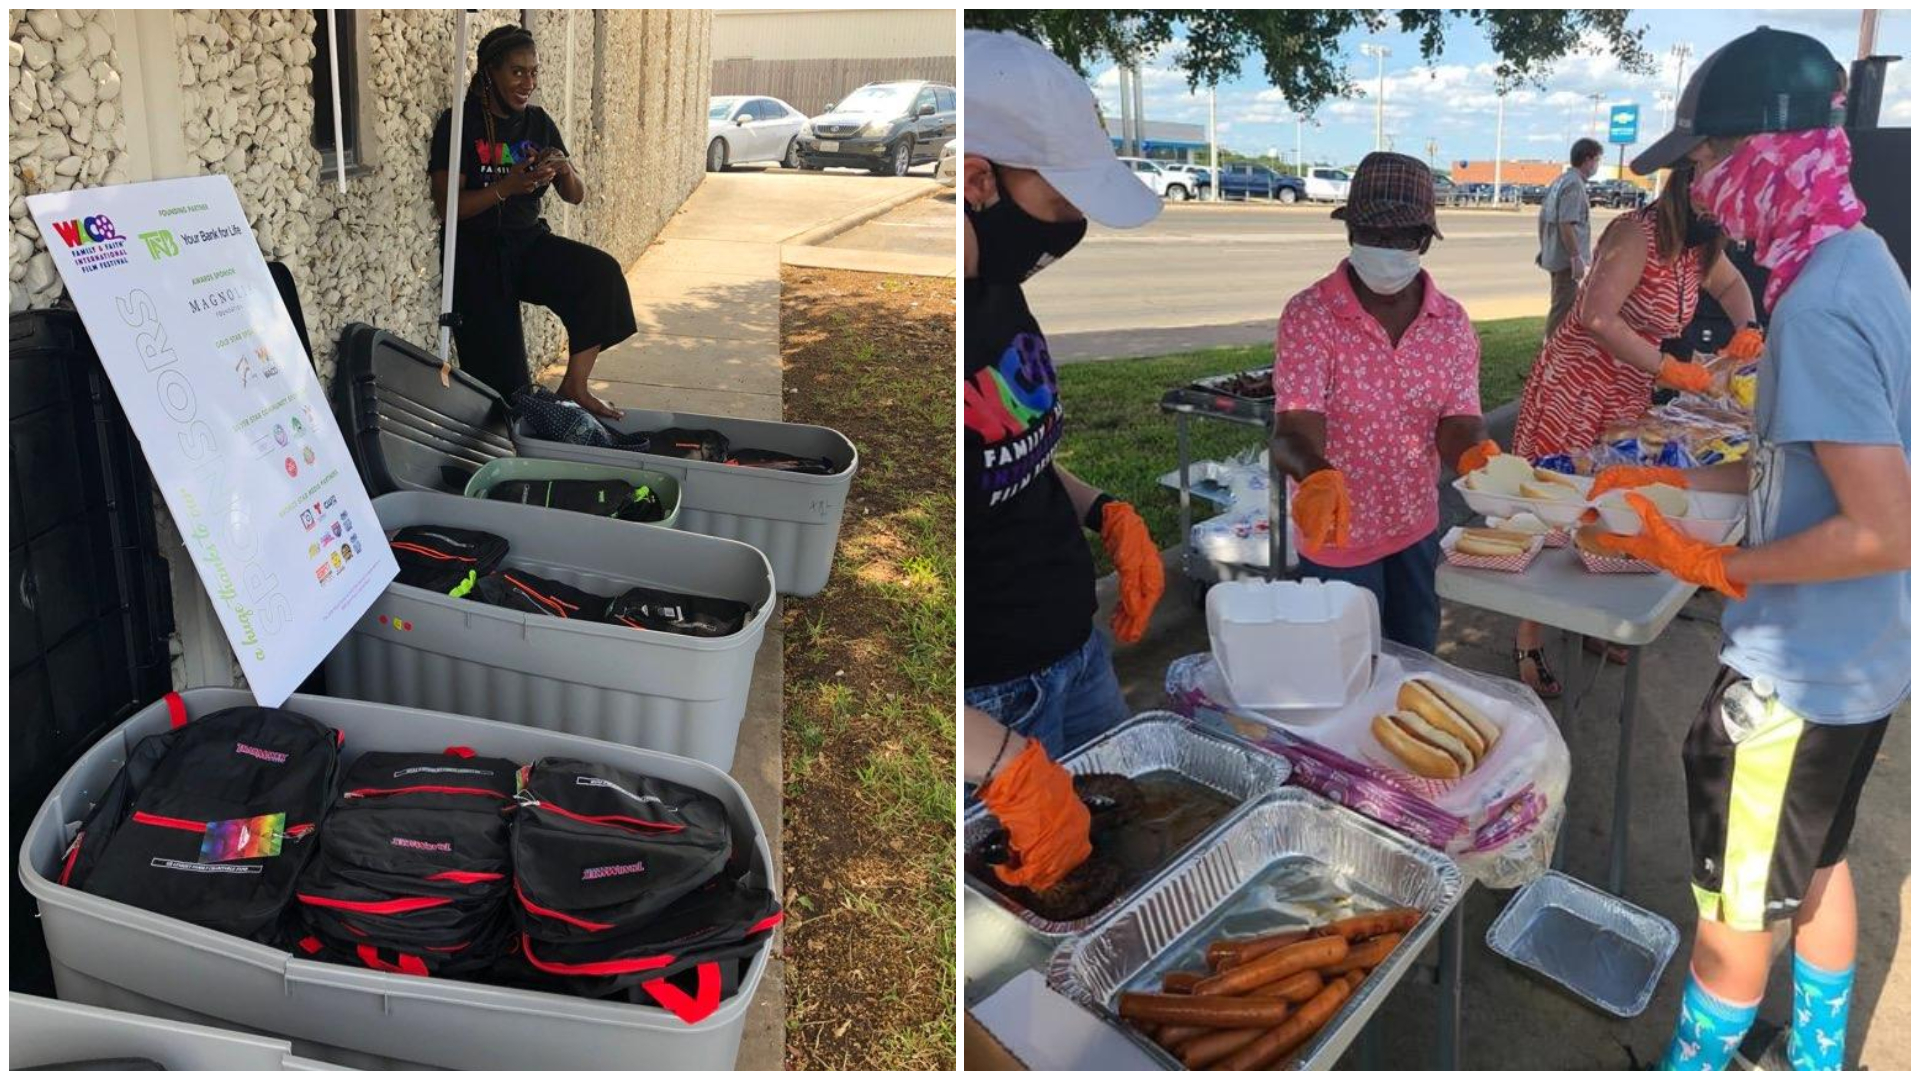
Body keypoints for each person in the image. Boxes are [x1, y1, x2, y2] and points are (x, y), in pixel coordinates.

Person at [1593, 28, 1908, 1072]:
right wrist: (1677, 484)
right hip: (1864, 665)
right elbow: (1804, 471)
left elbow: (1882, 524)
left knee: (1734, 912)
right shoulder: (1862, 265)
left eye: (1713, 159)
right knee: (1812, 867)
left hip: (1791, 678)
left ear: (1776, 152)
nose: (1708, 189)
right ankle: (1815, 1059)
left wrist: (1722, 568)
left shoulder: (1816, 306)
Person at [961, 29, 1167, 893]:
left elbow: (1012, 452)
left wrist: (1102, 510)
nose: (1076, 225)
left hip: (1075, 657)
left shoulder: (1001, 292)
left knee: (1124, 877)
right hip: (992, 712)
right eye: (1063, 199)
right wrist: (1002, 763)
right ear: (976, 177)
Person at [1506, 162, 1760, 696]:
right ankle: (1528, 635)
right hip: (1578, 380)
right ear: (1687, 187)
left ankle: (1586, 620)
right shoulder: (1635, 233)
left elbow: (1733, 284)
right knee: (1556, 500)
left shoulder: (1701, 248)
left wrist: (1748, 329)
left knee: (1609, 497)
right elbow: (1598, 317)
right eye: (1711, 200)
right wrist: (1669, 369)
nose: (1718, 216)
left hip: (1627, 382)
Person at [1270, 151, 1494, 654]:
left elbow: (1458, 423)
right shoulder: (1311, 315)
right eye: (1373, 234)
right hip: (1337, 530)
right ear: (1351, 233)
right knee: (1347, 664)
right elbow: (1294, 428)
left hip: (1415, 521)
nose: (1386, 248)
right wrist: (1315, 474)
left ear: (1423, 241)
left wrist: (1480, 459)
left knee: (1415, 654)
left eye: (1401, 237)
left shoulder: (1451, 323)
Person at [428, 24, 636, 417]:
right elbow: (449, 208)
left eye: (534, 71)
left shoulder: (538, 123)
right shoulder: (459, 124)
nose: (528, 82)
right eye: (517, 71)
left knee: (601, 276)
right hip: (477, 258)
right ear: (490, 72)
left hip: (528, 245)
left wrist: (563, 170)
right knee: (507, 391)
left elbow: (575, 195)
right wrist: (508, 186)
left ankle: (575, 386)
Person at [1537, 137, 1603, 339]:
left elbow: (1543, 219)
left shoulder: (1560, 181)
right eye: (1597, 160)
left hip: (1554, 255)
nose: (1597, 165)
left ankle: (1552, 348)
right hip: (1566, 260)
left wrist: (1545, 248)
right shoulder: (1574, 185)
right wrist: (1576, 257)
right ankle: (1551, 351)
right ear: (1588, 160)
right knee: (1562, 308)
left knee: (1560, 303)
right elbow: (1566, 223)